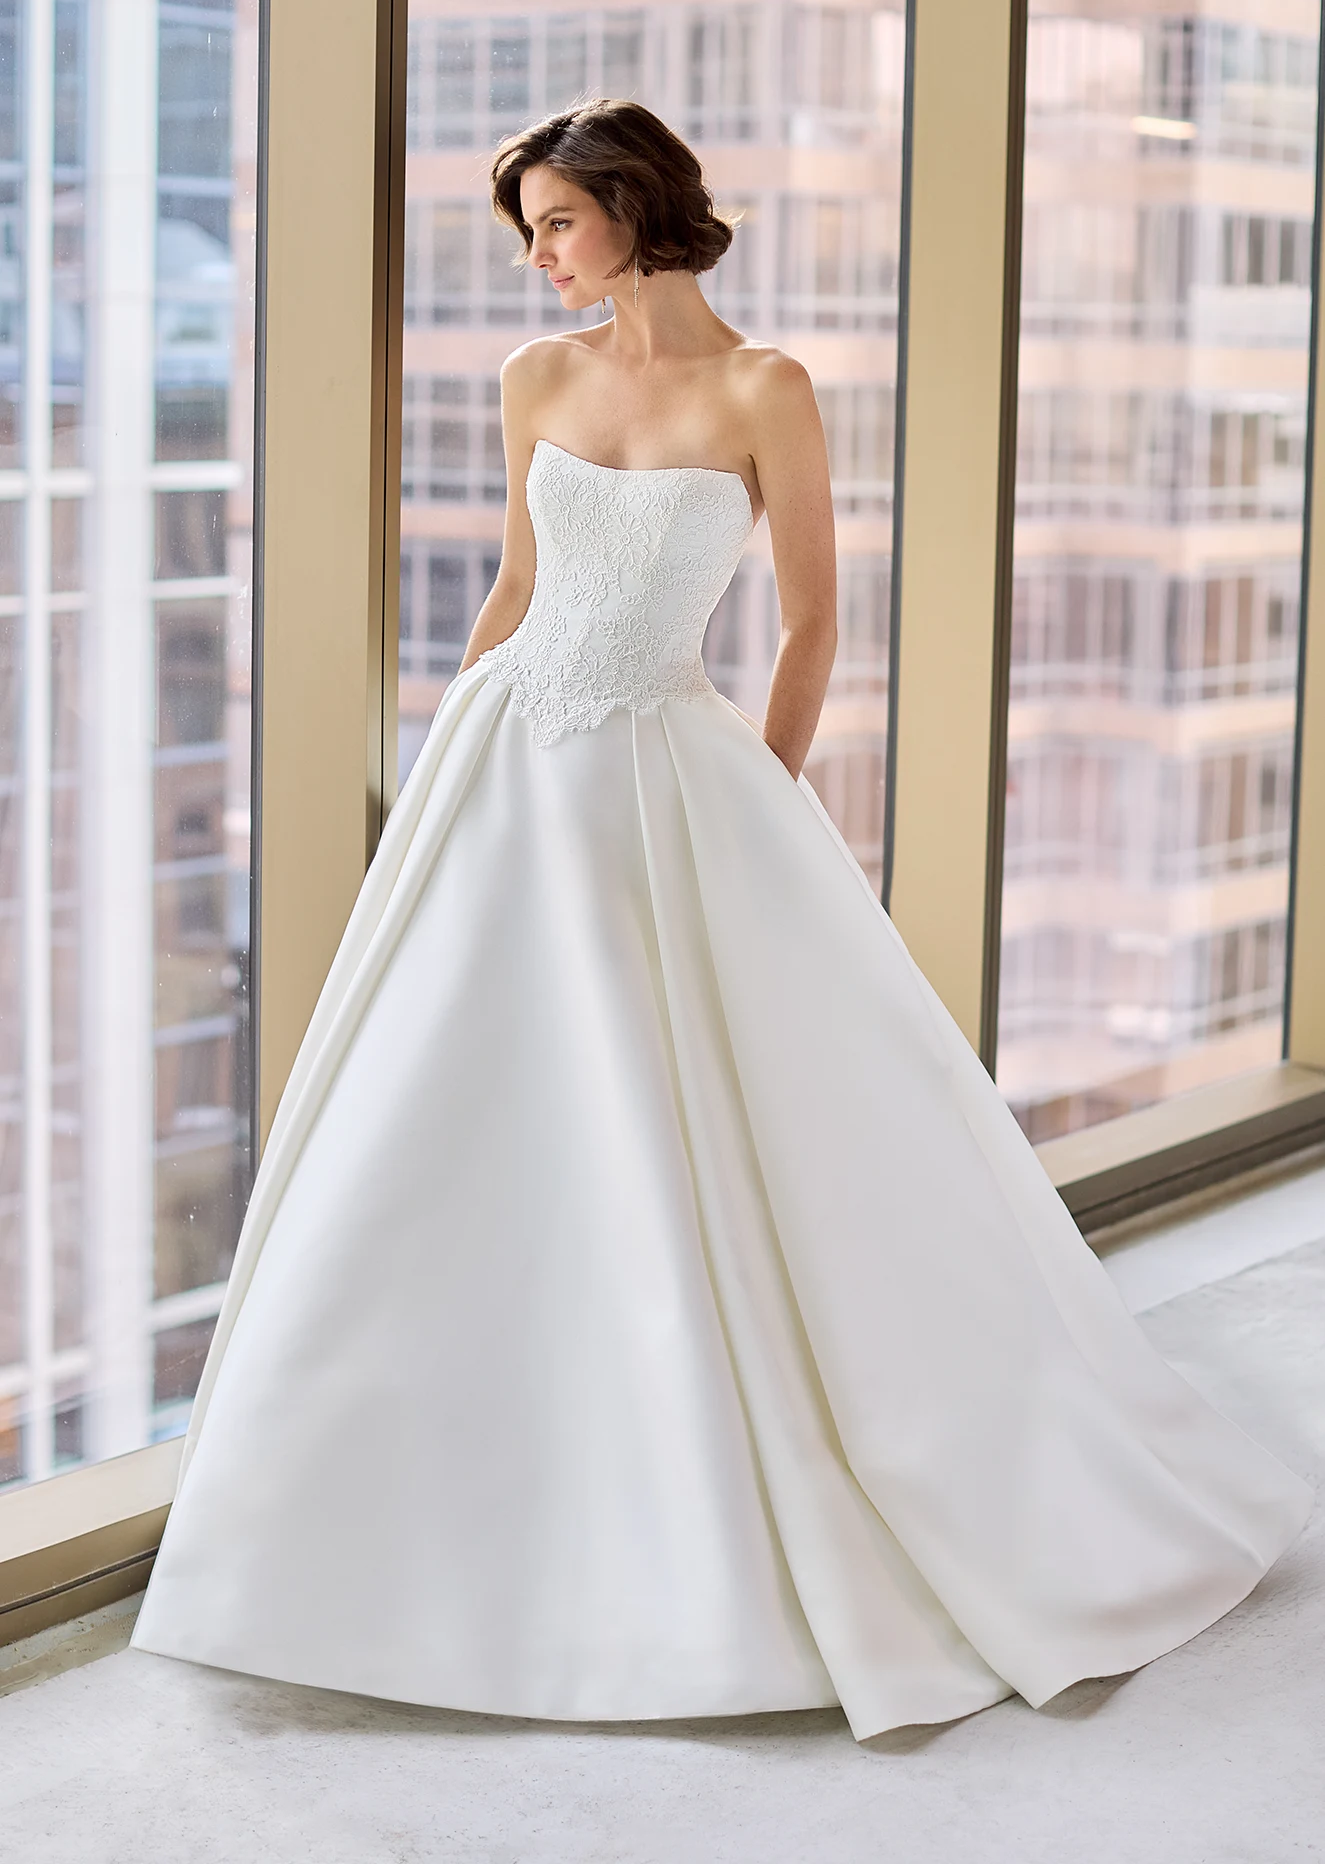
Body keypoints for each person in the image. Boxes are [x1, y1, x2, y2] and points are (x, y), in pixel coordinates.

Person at [131, 99, 1311, 1743]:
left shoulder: (768, 390)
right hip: (508, 766)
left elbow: (815, 620)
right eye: (528, 230)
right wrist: (444, 753)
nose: (538, 255)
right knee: (451, 1111)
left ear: (628, 208)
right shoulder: (536, 380)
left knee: (685, 1125)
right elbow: (521, 594)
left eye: (554, 221)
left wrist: (751, 799)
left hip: (672, 771)